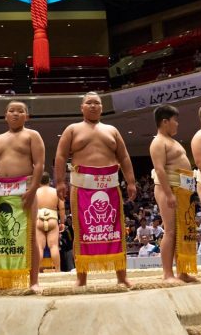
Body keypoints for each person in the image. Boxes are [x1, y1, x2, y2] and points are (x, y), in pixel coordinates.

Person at [55, 92, 137, 287]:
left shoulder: (112, 130)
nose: (93, 106)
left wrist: (131, 182)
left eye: (97, 103)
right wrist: (59, 182)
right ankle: (81, 278)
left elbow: (124, 157)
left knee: (115, 230)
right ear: (82, 107)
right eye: (89, 103)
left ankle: (122, 276)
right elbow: (60, 156)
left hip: (110, 186)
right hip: (82, 186)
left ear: (102, 107)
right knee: (81, 231)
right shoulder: (72, 129)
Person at [0, 101, 45, 291]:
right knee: (2, 237)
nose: (15, 114)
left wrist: (33, 189)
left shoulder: (32, 135)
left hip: (24, 189)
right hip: (0, 191)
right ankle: (5, 279)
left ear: (27, 116)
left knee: (30, 236)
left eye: (20, 111)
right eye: (11, 111)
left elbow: (39, 164)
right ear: (5, 116)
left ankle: (34, 281)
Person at [149, 104, 198, 284]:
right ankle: (167, 274)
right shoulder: (158, 142)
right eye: (175, 121)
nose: (177, 124)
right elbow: (160, 169)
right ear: (165, 121)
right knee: (170, 231)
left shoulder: (173, 141)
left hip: (183, 189)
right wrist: (169, 194)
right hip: (168, 188)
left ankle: (183, 272)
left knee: (182, 231)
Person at [35, 173, 65, 275]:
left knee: (39, 247)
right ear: (49, 181)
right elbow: (62, 208)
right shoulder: (55, 191)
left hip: (39, 220)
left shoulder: (35, 192)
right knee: (54, 246)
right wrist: (62, 222)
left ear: (38, 181)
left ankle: (37, 271)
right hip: (52, 219)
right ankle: (57, 270)